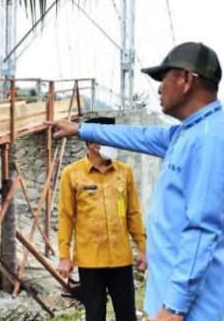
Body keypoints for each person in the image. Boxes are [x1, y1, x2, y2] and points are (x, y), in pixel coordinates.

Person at [46, 42, 224, 321]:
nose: (159, 89)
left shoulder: (210, 140)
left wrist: (175, 307)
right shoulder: (187, 133)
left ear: (186, 79)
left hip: (188, 308)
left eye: (164, 79)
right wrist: (81, 129)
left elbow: (202, 229)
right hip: (171, 297)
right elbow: (140, 136)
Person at [56, 116, 147, 321]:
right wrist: (64, 255)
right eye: (106, 138)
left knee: (127, 316)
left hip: (121, 260)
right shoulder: (72, 174)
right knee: (95, 316)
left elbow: (133, 213)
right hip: (90, 263)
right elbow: (66, 217)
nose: (111, 143)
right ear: (90, 142)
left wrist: (142, 247)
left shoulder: (125, 173)